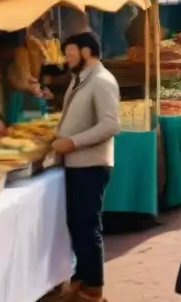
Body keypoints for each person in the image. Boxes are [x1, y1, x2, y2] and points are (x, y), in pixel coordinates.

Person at [53, 32, 122, 302]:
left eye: (70, 54)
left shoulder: (102, 81)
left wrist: (72, 141)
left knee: (88, 227)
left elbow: (111, 125)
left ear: (85, 52)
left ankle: (94, 289)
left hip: (91, 165)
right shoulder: (80, 80)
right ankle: (81, 278)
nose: (67, 60)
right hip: (76, 164)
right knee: (77, 224)